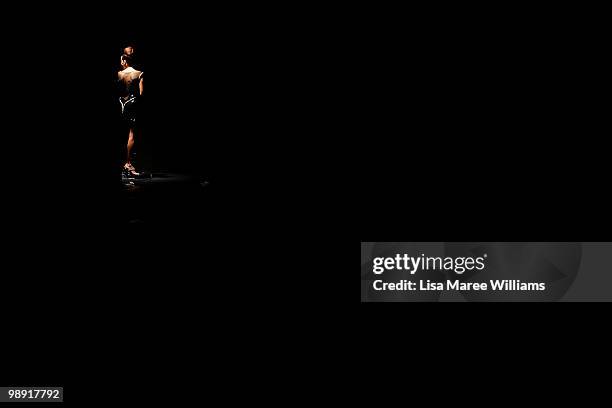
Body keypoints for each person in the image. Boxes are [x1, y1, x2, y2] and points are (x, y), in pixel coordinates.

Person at [118, 52, 143, 177]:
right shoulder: (139, 73)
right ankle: (128, 163)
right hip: (133, 104)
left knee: (121, 134)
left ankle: (123, 164)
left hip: (121, 103)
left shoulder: (119, 74)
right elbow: (141, 93)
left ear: (124, 61)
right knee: (131, 134)